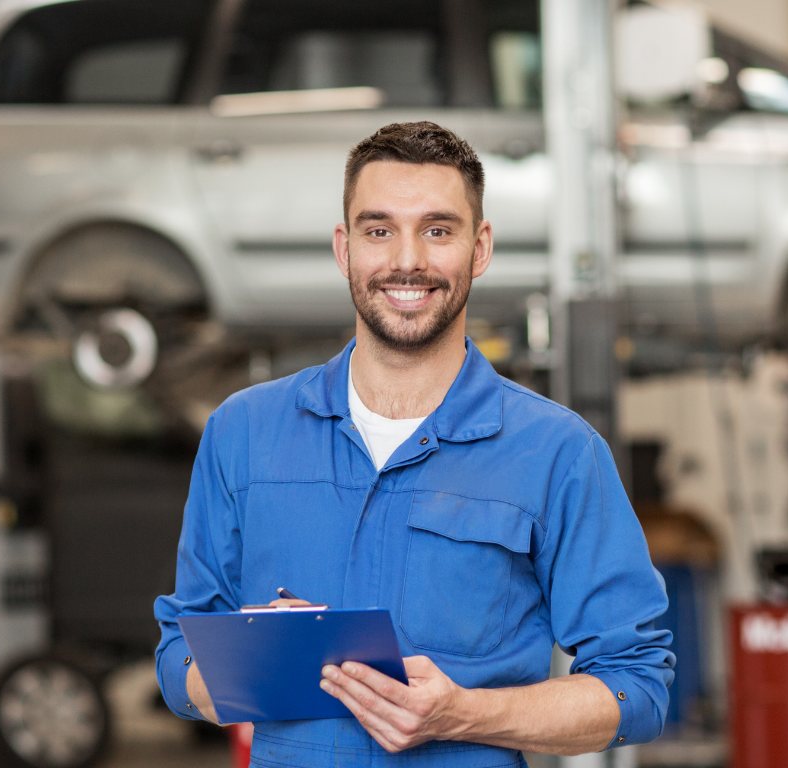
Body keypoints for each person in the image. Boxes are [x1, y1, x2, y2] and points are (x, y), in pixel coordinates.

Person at [155, 121, 672, 767]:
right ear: (344, 249)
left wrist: (468, 713)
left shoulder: (557, 453)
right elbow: (179, 654)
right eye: (379, 231)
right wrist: (266, 661)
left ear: (479, 248)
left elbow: (638, 687)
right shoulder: (244, 432)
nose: (407, 261)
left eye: (437, 230)